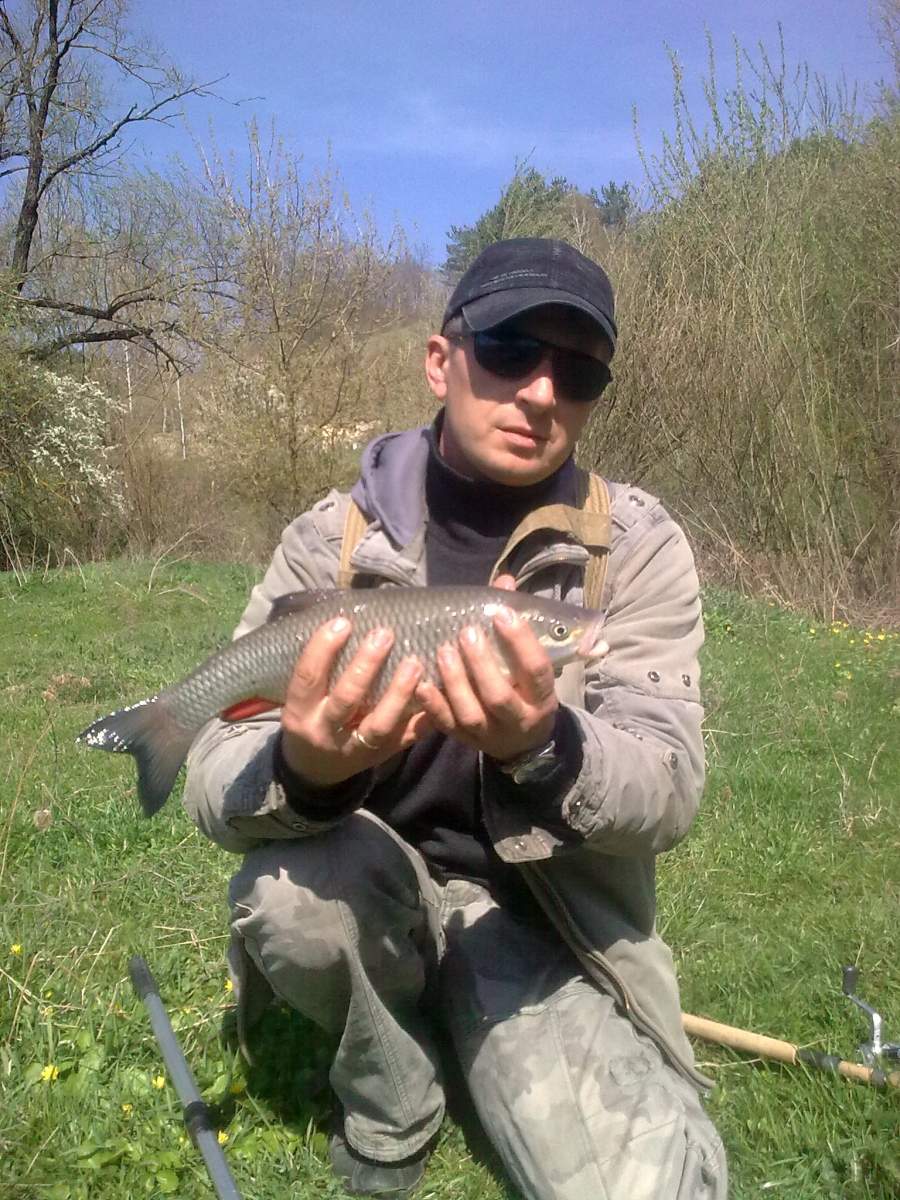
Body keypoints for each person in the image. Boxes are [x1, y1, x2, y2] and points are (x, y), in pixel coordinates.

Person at [184, 237, 728, 1199]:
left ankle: (478, 1016)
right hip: (366, 880)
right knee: (288, 902)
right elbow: (213, 773)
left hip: (537, 920)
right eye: (512, 351)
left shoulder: (636, 546)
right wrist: (304, 767)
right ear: (442, 361)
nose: (542, 393)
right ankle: (394, 1094)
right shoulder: (330, 540)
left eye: (580, 372)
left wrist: (545, 748)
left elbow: (670, 786)